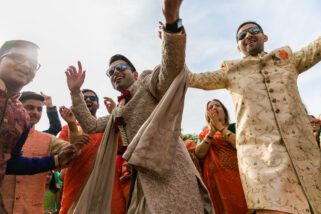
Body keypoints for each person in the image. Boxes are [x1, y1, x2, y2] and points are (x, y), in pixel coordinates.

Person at [65, 0, 213, 213]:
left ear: (134, 74)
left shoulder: (147, 82)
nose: (115, 72)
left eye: (121, 67)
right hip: (140, 180)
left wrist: (172, 24)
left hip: (169, 170)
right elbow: (90, 125)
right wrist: (75, 93)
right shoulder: (118, 110)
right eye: (111, 72)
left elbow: (171, 69)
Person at [188, 21, 321, 213]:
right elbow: (191, 79)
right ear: (238, 46)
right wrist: (173, 31)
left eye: (254, 31)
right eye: (241, 36)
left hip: (304, 157)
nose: (248, 35)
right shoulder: (230, 72)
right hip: (262, 164)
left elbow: (316, 48)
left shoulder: (286, 60)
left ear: (264, 37)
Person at [0, 40, 86, 213]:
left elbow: (10, 163)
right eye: (17, 57)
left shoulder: (20, 117)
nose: (25, 64)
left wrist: (54, 161)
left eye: (32, 63)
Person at [0, 91, 88, 213]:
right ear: (18, 108)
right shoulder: (3, 136)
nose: (35, 112)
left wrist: (72, 125)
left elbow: (74, 152)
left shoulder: (48, 139)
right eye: (30, 107)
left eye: (39, 109)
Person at [58, 90, 127, 214]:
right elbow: (61, 158)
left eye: (92, 98)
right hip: (76, 186)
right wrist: (72, 125)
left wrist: (115, 118)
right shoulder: (67, 128)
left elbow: (123, 147)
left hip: (107, 187)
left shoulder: (107, 127)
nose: (88, 100)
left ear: (98, 105)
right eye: (84, 98)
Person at [195, 99, 247, 214]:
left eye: (217, 105)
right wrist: (211, 132)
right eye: (210, 107)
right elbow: (199, 153)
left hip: (236, 176)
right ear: (207, 114)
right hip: (214, 181)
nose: (214, 108)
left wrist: (221, 128)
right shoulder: (204, 134)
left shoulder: (234, 127)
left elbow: (240, 145)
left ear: (224, 111)